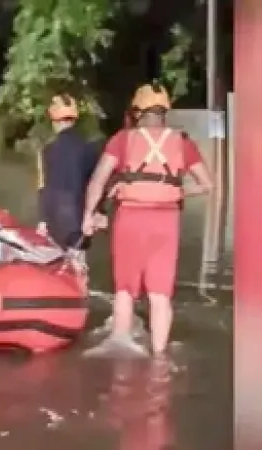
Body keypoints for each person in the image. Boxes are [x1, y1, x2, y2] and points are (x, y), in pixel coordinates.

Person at [81, 83, 214, 357]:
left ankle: (120, 346)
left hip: (130, 218)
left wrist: (88, 215)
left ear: (137, 111)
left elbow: (97, 181)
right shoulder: (183, 142)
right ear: (166, 111)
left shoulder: (122, 139)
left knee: (125, 290)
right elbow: (207, 185)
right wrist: (176, 191)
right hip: (166, 222)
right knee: (160, 295)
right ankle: (159, 356)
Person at [36, 94, 101, 255]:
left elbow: (43, 188)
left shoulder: (47, 150)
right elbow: (95, 185)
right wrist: (96, 214)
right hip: (79, 223)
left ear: (53, 119)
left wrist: (42, 220)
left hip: (54, 223)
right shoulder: (89, 148)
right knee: (77, 271)